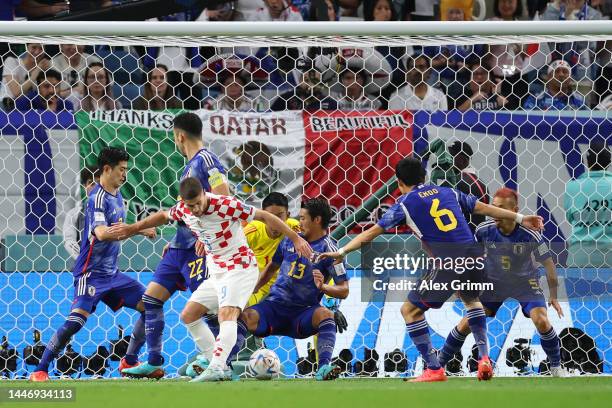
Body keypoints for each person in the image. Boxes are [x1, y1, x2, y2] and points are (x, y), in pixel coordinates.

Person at [320, 157, 544, 382]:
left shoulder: (405, 203)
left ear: (399, 182)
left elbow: (372, 232)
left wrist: (342, 251)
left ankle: (434, 368)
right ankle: (484, 358)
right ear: (424, 177)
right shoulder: (448, 192)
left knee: (410, 310)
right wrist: (520, 217)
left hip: (447, 262)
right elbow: (483, 208)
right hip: (476, 256)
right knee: (472, 301)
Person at [117, 177, 313, 382]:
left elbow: (263, 215)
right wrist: (132, 228)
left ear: (204, 193)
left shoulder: (225, 205)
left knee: (226, 313)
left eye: (197, 204)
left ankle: (219, 365)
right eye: (189, 205)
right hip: (218, 271)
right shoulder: (184, 209)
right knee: (189, 314)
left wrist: (295, 238)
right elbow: (163, 215)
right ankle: (217, 365)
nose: (194, 209)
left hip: (240, 267)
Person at [118, 112, 230, 379]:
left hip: (198, 249)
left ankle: (223, 362)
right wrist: (175, 239)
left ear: (179, 135)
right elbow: (185, 212)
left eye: (174, 138)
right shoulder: (190, 165)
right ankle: (154, 361)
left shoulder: (207, 161)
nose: (175, 142)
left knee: (208, 310)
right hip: (179, 247)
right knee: (151, 300)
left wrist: (209, 237)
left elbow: (225, 198)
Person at [29, 147, 156, 382]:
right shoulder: (96, 197)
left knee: (151, 306)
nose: (124, 175)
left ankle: (129, 361)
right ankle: (41, 369)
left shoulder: (117, 195)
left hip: (113, 274)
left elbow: (117, 227)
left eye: (126, 170)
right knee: (75, 322)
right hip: (90, 274)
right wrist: (138, 229)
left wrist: (135, 228)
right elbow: (102, 233)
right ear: (106, 169)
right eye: (121, 170)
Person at [437, 187, 567, 377]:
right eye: (494, 207)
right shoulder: (484, 231)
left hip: (525, 283)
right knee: (467, 323)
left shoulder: (530, 234)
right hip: (493, 284)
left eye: (502, 209)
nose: (496, 213)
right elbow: (470, 258)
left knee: (542, 320)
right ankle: (437, 366)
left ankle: (556, 366)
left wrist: (553, 296)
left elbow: (549, 265)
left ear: (514, 211)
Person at [227, 197, 348, 381]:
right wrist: (252, 289)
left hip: (302, 314)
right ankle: (224, 366)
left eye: (303, 218)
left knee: (326, 315)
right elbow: (272, 268)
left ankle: (323, 369)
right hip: (273, 307)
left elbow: (344, 290)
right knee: (243, 316)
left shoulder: (330, 251)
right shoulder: (289, 240)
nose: (299, 223)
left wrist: (323, 287)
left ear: (316, 220)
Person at [564, 140, 611, 268]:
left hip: (580, 259)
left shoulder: (572, 187)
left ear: (587, 161)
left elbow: (571, 218)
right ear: (609, 161)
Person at [448, 141, 489, 232]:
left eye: (451, 156)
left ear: (462, 160)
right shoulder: (481, 183)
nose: (447, 160)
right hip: (478, 237)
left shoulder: (458, 182)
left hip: (462, 239)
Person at [63, 166, 99, 260]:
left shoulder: (112, 211)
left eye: (99, 184)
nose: (95, 188)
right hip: (82, 268)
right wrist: (82, 259)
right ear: (84, 186)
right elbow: (69, 241)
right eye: (91, 183)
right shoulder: (74, 213)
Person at [270, 63, 337, 111]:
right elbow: (269, 118)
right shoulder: (285, 99)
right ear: (300, 81)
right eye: (306, 80)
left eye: (315, 81)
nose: (311, 85)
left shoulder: (331, 103)